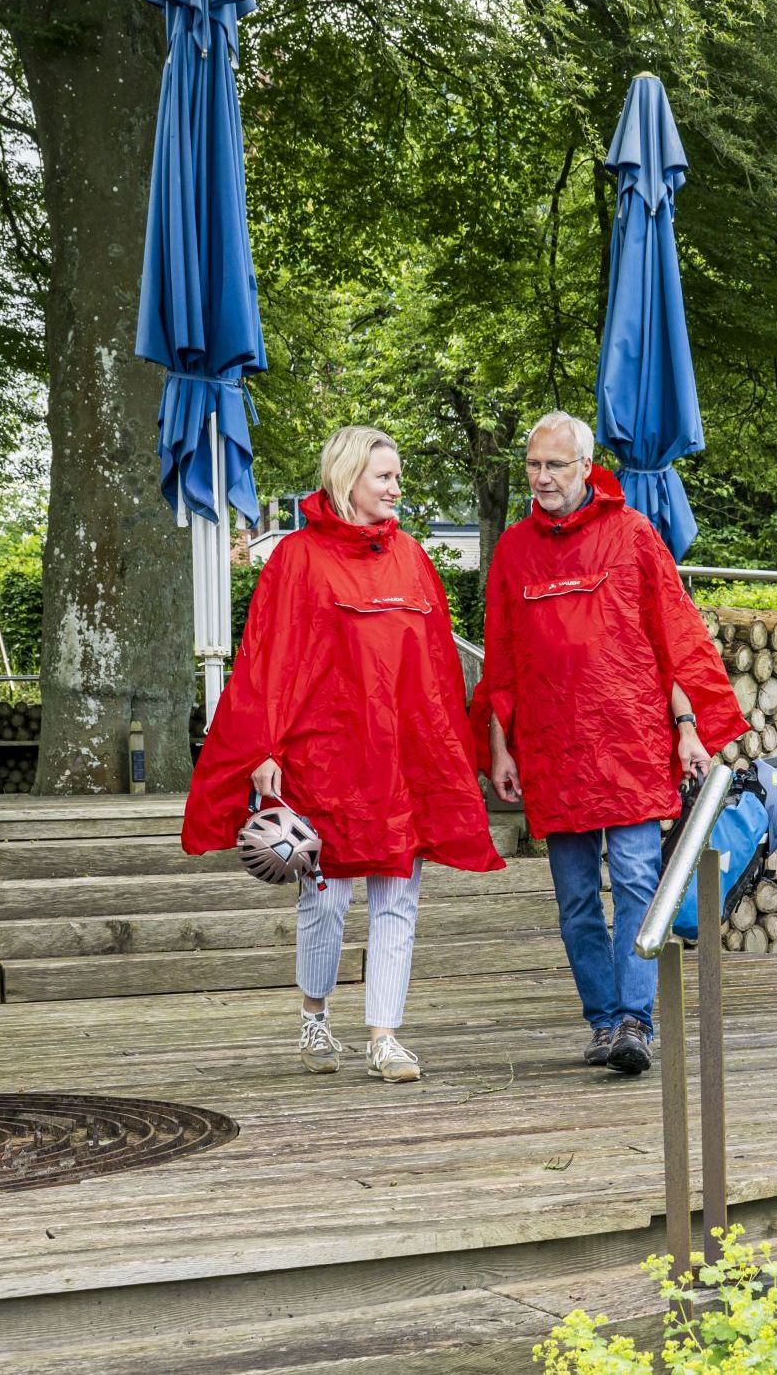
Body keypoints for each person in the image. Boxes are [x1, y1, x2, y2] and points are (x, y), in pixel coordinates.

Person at [183, 425, 502, 1083]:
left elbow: (438, 665)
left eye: (396, 475)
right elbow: (266, 658)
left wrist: (449, 750)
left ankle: (385, 1036)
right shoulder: (296, 559)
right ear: (347, 478)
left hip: (400, 760)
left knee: (397, 898)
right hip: (323, 758)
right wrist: (261, 747)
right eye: (384, 476)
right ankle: (314, 1016)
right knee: (325, 899)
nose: (396, 487)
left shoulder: (412, 558)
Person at [472, 411, 748, 1075]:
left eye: (554, 466)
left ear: (585, 468)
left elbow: (674, 640)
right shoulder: (513, 549)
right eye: (533, 465)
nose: (541, 478)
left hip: (626, 744)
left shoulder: (631, 535)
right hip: (550, 751)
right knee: (573, 898)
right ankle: (601, 1020)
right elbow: (501, 659)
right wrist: (499, 747)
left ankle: (633, 1019)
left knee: (632, 882)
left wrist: (687, 727)